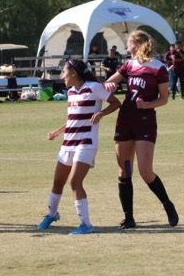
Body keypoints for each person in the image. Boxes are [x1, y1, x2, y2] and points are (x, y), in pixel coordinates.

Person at [104, 30, 179, 230]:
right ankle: (129, 218)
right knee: (124, 172)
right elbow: (109, 82)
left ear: (137, 44)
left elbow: (164, 99)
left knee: (145, 172)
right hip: (125, 121)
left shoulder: (158, 68)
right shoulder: (128, 65)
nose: (127, 48)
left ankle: (168, 205)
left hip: (145, 121)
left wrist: (147, 105)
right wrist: (110, 85)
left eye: (129, 44)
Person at [37, 59, 121, 234]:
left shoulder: (94, 87)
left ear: (73, 73)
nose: (62, 76)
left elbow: (116, 103)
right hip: (68, 143)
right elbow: (72, 119)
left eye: (64, 72)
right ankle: (52, 214)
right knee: (57, 182)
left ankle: (86, 225)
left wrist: (101, 113)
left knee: (75, 182)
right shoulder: (71, 92)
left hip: (86, 143)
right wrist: (58, 131)